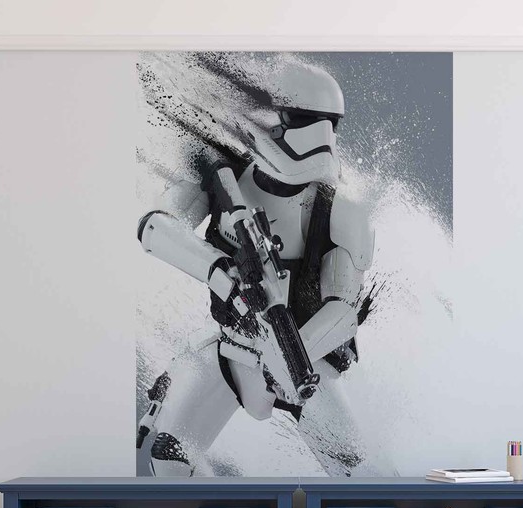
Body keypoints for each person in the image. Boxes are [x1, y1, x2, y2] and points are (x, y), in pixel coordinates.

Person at [136, 61, 376, 477]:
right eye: (304, 121)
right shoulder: (224, 173)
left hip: (301, 360)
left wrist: (291, 354)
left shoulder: (340, 210)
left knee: (356, 472)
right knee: (169, 458)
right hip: (232, 346)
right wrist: (221, 274)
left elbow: (343, 311)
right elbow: (155, 226)